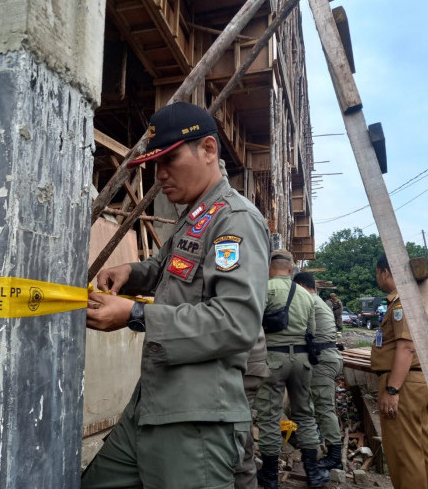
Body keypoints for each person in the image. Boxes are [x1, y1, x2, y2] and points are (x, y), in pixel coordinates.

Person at [82, 102, 270, 489]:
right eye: (155, 164)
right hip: (152, 403)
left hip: (196, 416)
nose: (160, 175)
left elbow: (236, 323)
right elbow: (169, 271)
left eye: (169, 160)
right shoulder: (198, 214)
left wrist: (134, 314)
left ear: (209, 150)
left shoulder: (235, 220)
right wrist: (130, 273)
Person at [255, 250, 330, 489]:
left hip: (273, 359)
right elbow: (312, 331)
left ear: (270, 268)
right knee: (305, 415)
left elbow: (253, 326)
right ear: (291, 269)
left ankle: (269, 476)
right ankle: (313, 472)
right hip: (302, 360)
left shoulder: (265, 290)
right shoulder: (308, 297)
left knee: (269, 416)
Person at [370, 253, 428, 489]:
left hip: (404, 383)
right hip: (416, 382)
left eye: (377, 273)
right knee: (420, 447)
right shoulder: (411, 300)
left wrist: (392, 388)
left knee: (404, 453)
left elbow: (407, 347)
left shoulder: (402, 304)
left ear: (385, 272)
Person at [294, 272, 344, 471]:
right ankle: (319, 441)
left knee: (324, 407)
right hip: (328, 356)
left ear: (301, 285)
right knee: (318, 405)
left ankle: (334, 456)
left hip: (323, 358)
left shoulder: (307, 300)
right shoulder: (319, 301)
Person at [234, 329, 270, 489]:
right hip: (255, 362)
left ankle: (266, 476)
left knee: (238, 431)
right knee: (243, 426)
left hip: (245, 364)